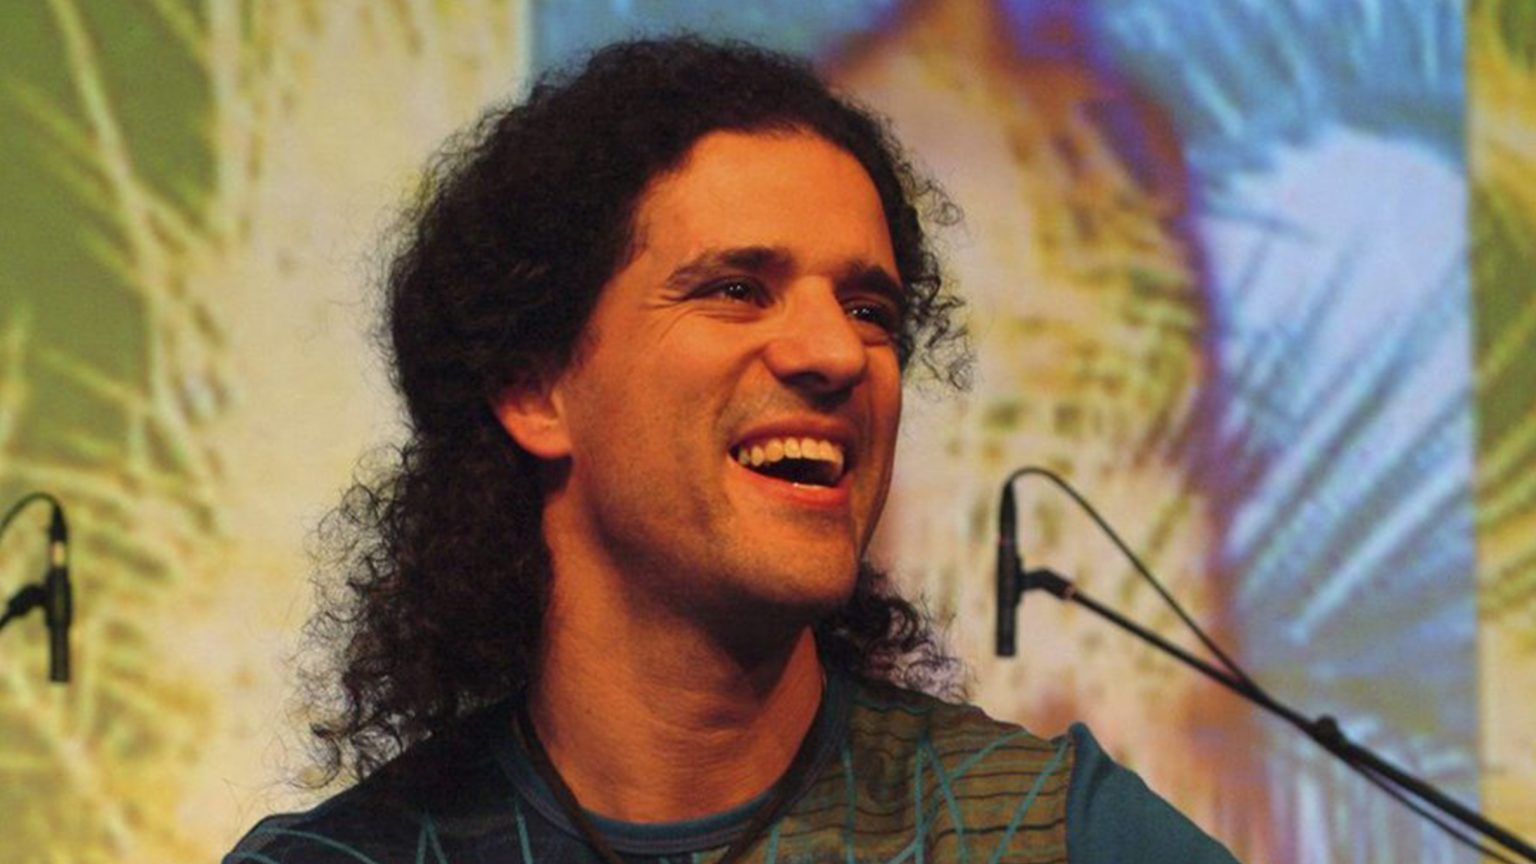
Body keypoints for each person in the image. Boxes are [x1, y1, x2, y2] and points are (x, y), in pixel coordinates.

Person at [224, 36, 1239, 864]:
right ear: (536, 390)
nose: (837, 352)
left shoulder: (1055, 834)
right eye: (738, 290)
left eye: (870, 308)